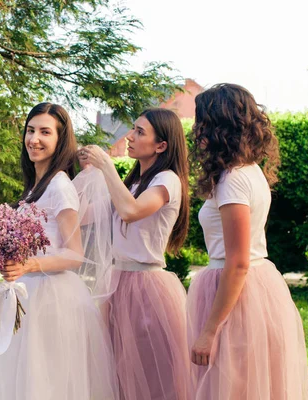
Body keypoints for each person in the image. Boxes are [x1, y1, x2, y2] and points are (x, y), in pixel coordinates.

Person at [187, 83, 308, 399]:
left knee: (233, 386)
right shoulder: (249, 170)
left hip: (237, 293)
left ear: (218, 126)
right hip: (255, 285)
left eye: (201, 122)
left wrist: (209, 331)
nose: (195, 131)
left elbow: (239, 262)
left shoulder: (233, 180)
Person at [0, 102, 118, 400]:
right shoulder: (36, 186)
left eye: (45, 132)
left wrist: (29, 266)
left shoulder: (59, 186)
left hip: (52, 298)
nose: (34, 139)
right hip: (29, 292)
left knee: (48, 383)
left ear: (60, 140)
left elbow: (74, 254)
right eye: (30, 130)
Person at [80, 108, 191, 400]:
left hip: (147, 289)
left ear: (161, 145)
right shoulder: (133, 184)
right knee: (117, 373)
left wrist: (105, 165)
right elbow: (87, 216)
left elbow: (131, 211)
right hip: (117, 283)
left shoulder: (167, 180)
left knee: (152, 377)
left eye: (140, 132)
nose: (130, 136)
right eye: (133, 129)